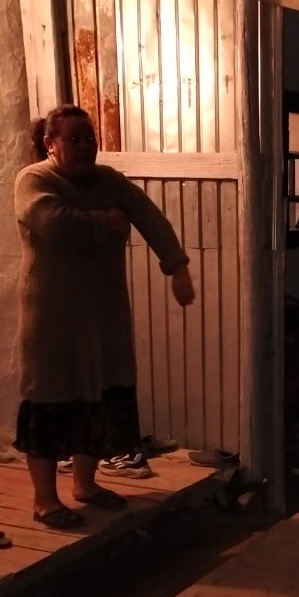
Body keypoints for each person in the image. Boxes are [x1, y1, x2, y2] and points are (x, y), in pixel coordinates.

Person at [14, 104, 195, 529]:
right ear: (50, 143)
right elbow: (54, 222)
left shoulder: (109, 181)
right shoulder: (34, 179)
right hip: (52, 319)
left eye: (89, 138)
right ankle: (44, 500)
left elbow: (149, 217)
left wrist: (177, 266)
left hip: (103, 316)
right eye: (73, 138)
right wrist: (106, 222)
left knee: (96, 396)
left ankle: (86, 484)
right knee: (49, 400)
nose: (84, 146)